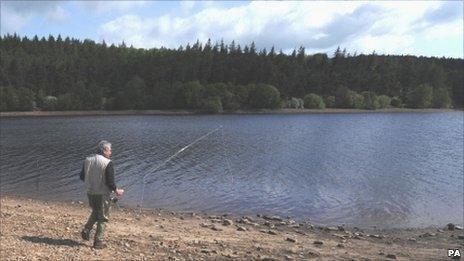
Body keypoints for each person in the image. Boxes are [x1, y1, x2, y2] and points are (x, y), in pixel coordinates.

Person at [79, 140, 124, 249]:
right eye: (109, 150)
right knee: (103, 218)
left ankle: (87, 229)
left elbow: (82, 176)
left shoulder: (87, 160)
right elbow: (110, 182)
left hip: (90, 193)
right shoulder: (108, 163)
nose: (111, 152)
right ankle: (98, 242)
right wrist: (117, 190)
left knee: (96, 211)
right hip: (103, 194)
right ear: (104, 150)